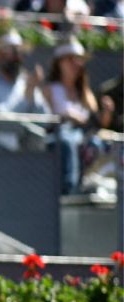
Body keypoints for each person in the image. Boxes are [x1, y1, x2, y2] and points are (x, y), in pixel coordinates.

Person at [41, 38, 115, 194]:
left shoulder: (85, 92)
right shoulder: (50, 89)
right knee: (68, 142)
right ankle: (70, 189)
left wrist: (107, 112)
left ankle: (95, 186)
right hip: (59, 136)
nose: (76, 64)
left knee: (97, 143)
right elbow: (45, 118)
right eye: (70, 60)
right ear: (59, 63)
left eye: (79, 60)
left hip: (83, 137)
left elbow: (100, 123)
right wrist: (66, 116)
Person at [0, 30, 47, 114]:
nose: (17, 57)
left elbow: (45, 120)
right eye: (12, 51)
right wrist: (27, 97)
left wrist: (33, 91)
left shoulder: (26, 81)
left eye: (20, 52)